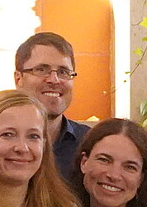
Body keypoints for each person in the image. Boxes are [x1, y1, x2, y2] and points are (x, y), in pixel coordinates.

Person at [16, 31, 93, 178]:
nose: (54, 80)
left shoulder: (90, 144)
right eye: (41, 69)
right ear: (18, 78)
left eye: (63, 71)